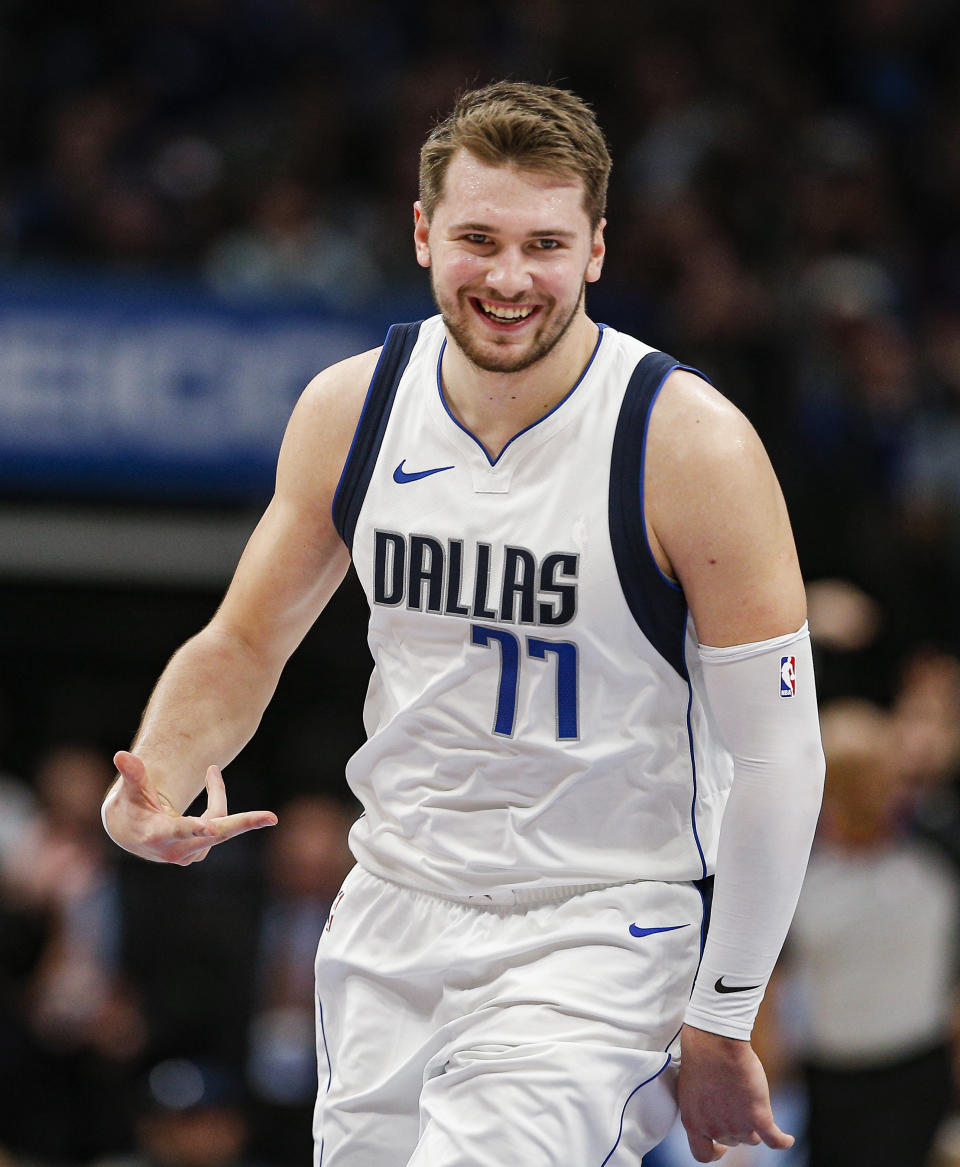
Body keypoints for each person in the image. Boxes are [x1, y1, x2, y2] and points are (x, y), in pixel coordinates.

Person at [102, 81, 825, 1166]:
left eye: (544, 244)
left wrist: (724, 1013)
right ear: (423, 232)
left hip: (597, 924)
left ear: (594, 251)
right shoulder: (350, 408)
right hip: (392, 908)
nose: (507, 278)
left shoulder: (690, 444)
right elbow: (245, 640)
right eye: (478, 239)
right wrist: (151, 781)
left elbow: (779, 754)